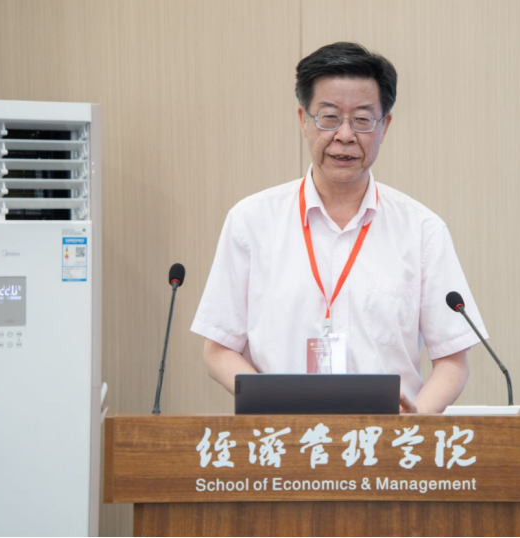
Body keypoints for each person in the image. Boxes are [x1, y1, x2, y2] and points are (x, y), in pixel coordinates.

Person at [191, 42, 488, 413]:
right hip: (281, 437)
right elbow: (218, 349)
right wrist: (273, 406)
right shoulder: (250, 222)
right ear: (303, 120)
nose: (345, 135)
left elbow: (453, 359)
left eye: (362, 120)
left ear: (385, 126)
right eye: (329, 117)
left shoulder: (422, 231)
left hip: (387, 441)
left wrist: (413, 424)